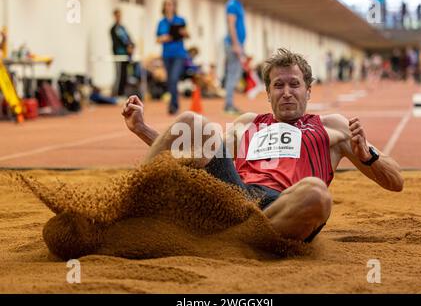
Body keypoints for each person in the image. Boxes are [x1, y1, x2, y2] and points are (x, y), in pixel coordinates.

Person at [122, 48, 403, 243]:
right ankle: (123, 209)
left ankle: (241, 239)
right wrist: (142, 129)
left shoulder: (332, 127)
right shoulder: (248, 123)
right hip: (237, 197)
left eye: (295, 84)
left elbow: (396, 182)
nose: (287, 92)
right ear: (268, 94)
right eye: (278, 86)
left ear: (308, 90)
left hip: (282, 206)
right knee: (191, 122)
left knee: (317, 195)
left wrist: (368, 157)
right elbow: (197, 156)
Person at [156, 0, 189, 115]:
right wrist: (164, 38)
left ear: (174, 7)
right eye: (167, 4)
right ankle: (174, 104)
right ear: (164, 7)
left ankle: (173, 105)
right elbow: (157, 39)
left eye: (171, 4)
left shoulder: (181, 20)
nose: (169, 7)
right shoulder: (161, 22)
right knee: (170, 80)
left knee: (174, 78)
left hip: (179, 54)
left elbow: (187, 35)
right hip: (166, 54)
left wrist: (184, 33)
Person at [224, 0, 247, 115]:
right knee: (233, 74)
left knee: (235, 74)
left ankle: (229, 104)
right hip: (234, 44)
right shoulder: (232, 4)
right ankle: (228, 105)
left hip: (238, 44)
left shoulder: (238, 4)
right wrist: (236, 44)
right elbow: (231, 25)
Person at [110, 9, 134, 97]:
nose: (119, 17)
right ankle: (116, 94)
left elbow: (129, 38)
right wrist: (127, 46)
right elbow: (117, 42)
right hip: (118, 55)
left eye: (120, 15)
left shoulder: (123, 28)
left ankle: (122, 93)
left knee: (124, 75)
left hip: (126, 56)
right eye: (117, 15)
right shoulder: (113, 29)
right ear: (114, 16)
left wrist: (132, 45)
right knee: (118, 75)